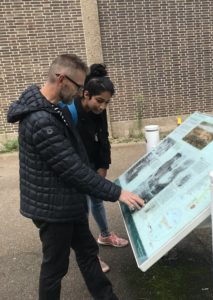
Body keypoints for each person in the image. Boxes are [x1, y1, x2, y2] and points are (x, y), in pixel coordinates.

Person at [7, 54, 144, 300]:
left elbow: (78, 156)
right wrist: (117, 192)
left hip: (68, 203)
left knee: (88, 252)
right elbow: (72, 168)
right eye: (79, 85)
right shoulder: (40, 120)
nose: (81, 91)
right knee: (55, 268)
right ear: (62, 79)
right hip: (52, 209)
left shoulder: (53, 108)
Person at [62, 64, 128, 273]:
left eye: (107, 102)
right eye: (99, 101)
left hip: (91, 163)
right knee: (81, 211)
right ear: (85, 93)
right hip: (75, 168)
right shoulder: (68, 111)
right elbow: (64, 150)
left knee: (97, 201)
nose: (103, 107)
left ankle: (105, 235)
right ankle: (91, 256)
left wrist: (103, 164)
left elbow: (104, 138)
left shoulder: (99, 110)